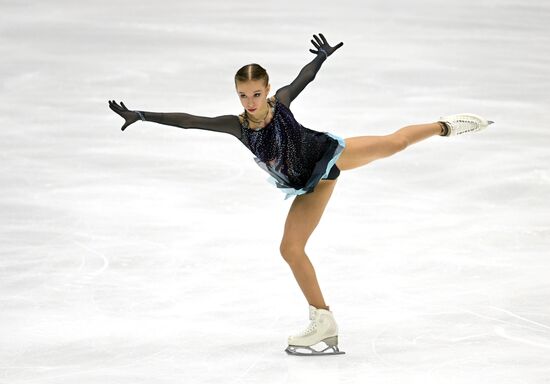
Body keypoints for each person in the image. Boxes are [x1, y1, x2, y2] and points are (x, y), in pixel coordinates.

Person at [108, 33, 494, 356]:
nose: (250, 102)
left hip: (329, 154)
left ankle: (445, 126)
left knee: (394, 143)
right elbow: (190, 122)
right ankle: (323, 320)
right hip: (313, 183)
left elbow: (303, 78)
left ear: (266, 89)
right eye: (243, 95)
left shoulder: (282, 104)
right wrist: (143, 115)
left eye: (256, 94)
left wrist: (321, 59)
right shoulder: (236, 126)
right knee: (290, 249)